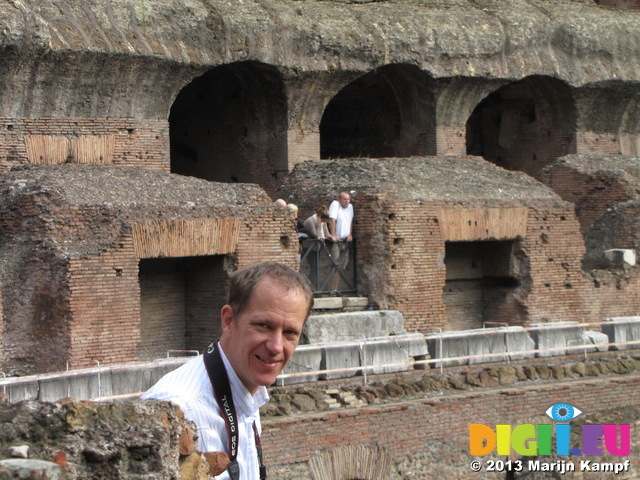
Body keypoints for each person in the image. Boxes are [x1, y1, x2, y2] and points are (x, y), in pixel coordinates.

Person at [141, 262, 313, 480]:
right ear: (228, 320)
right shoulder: (180, 410)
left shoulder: (245, 387)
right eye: (263, 325)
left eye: (290, 332)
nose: (276, 347)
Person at [328, 191, 354, 292]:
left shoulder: (350, 207)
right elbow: (332, 220)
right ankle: (332, 289)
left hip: (345, 241)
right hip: (336, 242)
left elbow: (350, 221)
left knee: (342, 266)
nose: (347, 201)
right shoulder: (335, 205)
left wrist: (350, 234)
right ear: (340, 200)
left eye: (348, 199)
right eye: (344, 199)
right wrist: (333, 235)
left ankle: (337, 288)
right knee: (335, 264)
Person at [300, 207, 331, 289]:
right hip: (308, 248)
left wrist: (333, 237)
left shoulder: (323, 222)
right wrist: (319, 224)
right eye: (324, 220)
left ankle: (313, 287)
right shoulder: (311, 221)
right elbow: (316, 236)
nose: (324, 222)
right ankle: (311, 287)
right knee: (314, 268)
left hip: (317, 248)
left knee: (316, 268)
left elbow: (327, 233)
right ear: (320, 217)